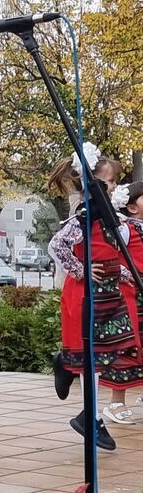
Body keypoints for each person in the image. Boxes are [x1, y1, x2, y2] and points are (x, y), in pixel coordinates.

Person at [47, 149, 143, 451]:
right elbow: (57, 246)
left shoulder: (110, 218)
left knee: (116, 349)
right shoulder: (84, 218)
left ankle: (70, 372)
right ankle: (90, 415)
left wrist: (124, 274)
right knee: (96, 356)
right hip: (87, 293)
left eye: (114, 181)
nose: (113, 187)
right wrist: (82, 269)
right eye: (109, 181)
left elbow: (113, 253)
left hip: (109, 291)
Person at [105, 181, 143, 424]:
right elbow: (108, 254)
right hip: (131, 296)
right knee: (127, 346)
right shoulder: (124, 229)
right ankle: (116, 401)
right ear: (131, 207)